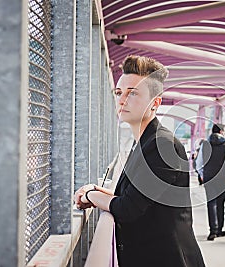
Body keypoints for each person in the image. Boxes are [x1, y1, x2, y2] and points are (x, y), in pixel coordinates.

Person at [74, 55, 205, 267]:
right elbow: (133, 196)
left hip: (170, 259)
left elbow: (128, 208)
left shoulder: (162, 145)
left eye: (132, 93)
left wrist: (90, 195)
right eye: (119, 93)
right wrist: (95, 190)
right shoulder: (143, 143)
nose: (122, 100)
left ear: (155, 103)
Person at [196, 123, 225, 241]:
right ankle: (219, 229)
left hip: (209, 178)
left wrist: (203, 175)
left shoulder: (205, 145)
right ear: (221, 132)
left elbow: (199, 163)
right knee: (220, 203)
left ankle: (212, 231)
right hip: (222, 179)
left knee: (211, 203)